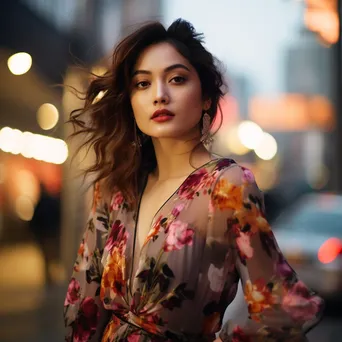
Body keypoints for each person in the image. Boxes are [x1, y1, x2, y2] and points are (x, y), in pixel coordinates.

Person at [63, 19, 324, 342]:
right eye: (142, 84)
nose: (159, 95)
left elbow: (278, 310)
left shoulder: (227, 186)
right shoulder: (116, 186)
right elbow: (83, 303)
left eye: (176, 79)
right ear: (130, 102)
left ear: (205, 98)